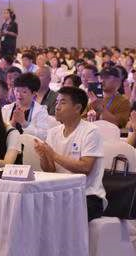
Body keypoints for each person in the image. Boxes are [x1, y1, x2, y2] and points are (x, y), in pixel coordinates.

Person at [33, 87, 106, 219]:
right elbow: (50, 170)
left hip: (87, 195)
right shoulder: (53, 132)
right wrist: (44, 155)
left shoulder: (91, 131)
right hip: (59, 192)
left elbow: (85, 167)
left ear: (77, 108)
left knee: (54, 214)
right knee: (32, 208)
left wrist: (53, 154)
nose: (57, 107)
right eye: (56, 102)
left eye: (63, 102)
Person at [2, 72, 56, 138]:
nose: (19, 95)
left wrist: (24, 123)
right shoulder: (6, 109)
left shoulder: (40, 111)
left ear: (34, 93)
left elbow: (44, 135)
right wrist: (12, 123)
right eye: (17, 90)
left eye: (24, 92)